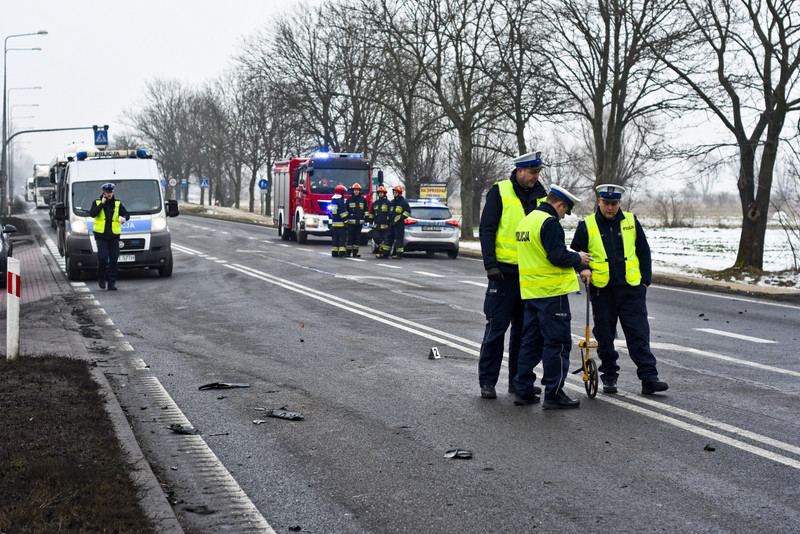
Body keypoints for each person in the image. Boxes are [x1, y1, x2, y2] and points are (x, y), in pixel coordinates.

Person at [570, 184, 668, 395]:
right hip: (602, 290)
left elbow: (644, 251)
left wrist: (645, 282)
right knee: (604, 335)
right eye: (606, 203)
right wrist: (583, 268)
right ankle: (609, 377)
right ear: (599, 202)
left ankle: (649, 378)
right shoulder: (586, 225)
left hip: (632, 289)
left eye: (614, 203)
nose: (610, 208)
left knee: (639, 334)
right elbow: (576, 251)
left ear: (619, 203)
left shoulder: (631, 222)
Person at [477, 151, 548, 400]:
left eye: (538, 172)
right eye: (532, 172)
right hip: (503, 274)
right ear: (520, 171)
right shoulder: (500, 191)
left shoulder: (542, 195)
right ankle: (487, 382)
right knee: (496, 329)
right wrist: (490, 265)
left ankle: (518, 383)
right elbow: (487, 229)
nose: (536, 176)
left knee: (525, 332)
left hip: (530, 275)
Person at [513, 185, 591, 409]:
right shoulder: (550, 223)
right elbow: (556, 255)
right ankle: (554, 394)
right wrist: (578, 258)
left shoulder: (527, 221)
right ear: (560, 204)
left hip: (531, 293)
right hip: (551, 294)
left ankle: (523, 390)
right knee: (556, 345)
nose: (563, 216)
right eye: (565, 211)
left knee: (530, 343)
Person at [88, 182, 129, 290]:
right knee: (102, 257)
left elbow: (126, 214)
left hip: (113, 236)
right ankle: (101, 277)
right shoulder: (96, 202)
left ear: (113, 192)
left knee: (114, 259)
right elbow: (92, 214)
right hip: (101, 236)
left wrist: (124, 218)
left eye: (110, 192)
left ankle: (111, 283)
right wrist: (102, 203)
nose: (109, 194)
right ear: (103, 193)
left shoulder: (117, 203)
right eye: (107, 192)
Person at [378, 186, 410, 259]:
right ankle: (385, 254)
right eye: (394, 192)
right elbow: (389, 213)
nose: (394, 194)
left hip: (399, 224)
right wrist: (387, 222)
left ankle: (399, 254)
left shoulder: (403, 202)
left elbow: (407, 212)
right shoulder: (392, 202)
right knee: (389, 238)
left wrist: (400, 217)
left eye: (396, 193)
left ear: (399, 193)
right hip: (391, 224)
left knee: (398, 239)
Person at [345, 183, 368, 257]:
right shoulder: (349, 200)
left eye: (357, 190)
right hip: (351, 223)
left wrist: (366, 219)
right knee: (350, 237)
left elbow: (366, 210)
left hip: (359, 222)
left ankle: (355, 252)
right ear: (353, 191)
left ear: (360, 191)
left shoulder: (363, 200)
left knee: (357, 238)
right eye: (355, 190)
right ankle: (348, 252)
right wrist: (346, 220)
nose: (356, 192)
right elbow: (346, 211)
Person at [369, 186, 391, 254]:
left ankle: (382, 253)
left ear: (385, 194)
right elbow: (371, 214)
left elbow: (389, 214)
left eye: (382, 193)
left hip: (385, 226)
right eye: (379, 193)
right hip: (376, 225)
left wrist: (388, 223)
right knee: (375, 236)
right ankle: (382, 247)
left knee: (384, 239)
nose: (380, 194)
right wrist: (370, 222)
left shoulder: (388, 203)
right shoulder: (375, 203)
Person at [330, 184, 349, 257]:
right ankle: (342, 252)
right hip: (341, 224)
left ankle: (334, 252)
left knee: (335, 239)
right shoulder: (340, 201)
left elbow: (331, 213)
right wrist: (346, 221)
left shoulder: (333, 200)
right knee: (342, 238)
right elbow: (342, 213)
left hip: (334, 224)